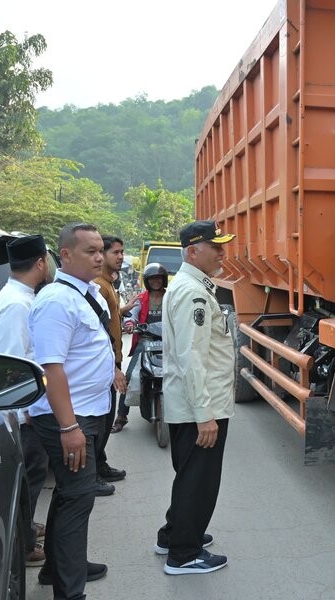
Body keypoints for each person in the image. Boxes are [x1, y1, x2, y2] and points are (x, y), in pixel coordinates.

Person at [28, 222, 124, 599]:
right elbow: (51, 368)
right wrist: (69, 427)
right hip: (70, 416)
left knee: (70, 495)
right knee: (78, 497)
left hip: (88, 411)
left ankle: (57, 568)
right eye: (90, 251)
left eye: (101, 250)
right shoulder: (56, 301)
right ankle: (70, 591)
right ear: (65, 255)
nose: (100, 257)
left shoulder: (87, 293)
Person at [156, 220, 235, 576]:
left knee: (190, 475)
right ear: (192, 252)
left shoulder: (189, 286)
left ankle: (173, 534)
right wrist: (205, 414)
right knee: (198, 481)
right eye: (215, 246)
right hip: (200, 406)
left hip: (192, 402)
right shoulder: (194, 294)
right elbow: (192, 357)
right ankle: (183, 554)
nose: (222, 252)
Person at [0, 234, 53, 567]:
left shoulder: (20, 297)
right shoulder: (17, 304)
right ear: (40, 263)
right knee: (30, 475)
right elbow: (13, 364)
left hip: (27, 405)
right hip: (25, 409)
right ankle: (24, 545)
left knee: (32, 475)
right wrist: (24, 409)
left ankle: (27, 527)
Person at [90, 235, 128, 490]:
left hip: (112, 360)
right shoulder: (99, 287)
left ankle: (100, 463)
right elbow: (100, 332)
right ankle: (91, 474)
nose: (121, 256)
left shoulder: (108, 284)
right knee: (101, 420)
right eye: (116, 252)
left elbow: (112, 318)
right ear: (102, 255)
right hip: (106, 364)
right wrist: (113, 367)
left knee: (106, 417)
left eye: (122, 252)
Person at [113, 262, 168, 433]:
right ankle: (121, 416)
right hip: (145, 341)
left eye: (158, 278)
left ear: (164, 280)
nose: (156, 281)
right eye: (152, 279)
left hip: (169, 342)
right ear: (147, 281)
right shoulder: (141, 299)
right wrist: (130, 323)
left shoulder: (171, 297)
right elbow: (132, 315)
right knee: (130, 376)